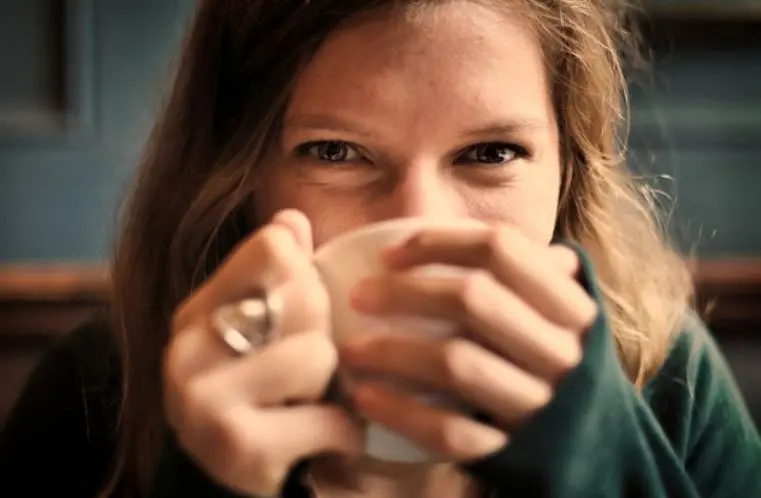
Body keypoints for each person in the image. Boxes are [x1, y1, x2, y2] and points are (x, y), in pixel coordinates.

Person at [1, 0, 759, 496]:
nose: (421, 224)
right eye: (334, 152)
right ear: (240, 176)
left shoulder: (664, 374)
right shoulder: (100, 385)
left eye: (490, 153)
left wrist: (601, 465)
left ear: (568, 172)